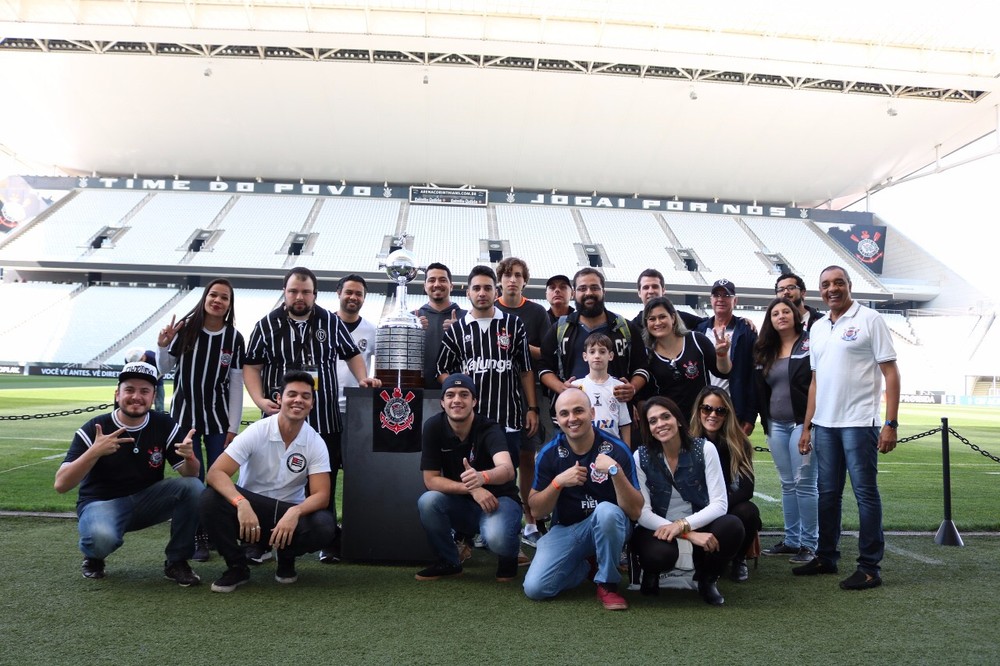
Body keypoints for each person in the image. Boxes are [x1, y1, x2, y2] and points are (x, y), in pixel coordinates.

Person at [243, 267, 380, 564]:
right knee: (270, 479)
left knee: (323, 482)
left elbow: (352, 353)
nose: (299, 297)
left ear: (315, 294)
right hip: (279, 421)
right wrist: (258, 398)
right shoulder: (267, 325)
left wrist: (362, 378)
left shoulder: (330, 322)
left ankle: (326, 540)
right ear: (285, 292)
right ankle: (262, 541)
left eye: (305, 292)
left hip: (325, 419)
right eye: (293, 291)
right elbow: (251, 365)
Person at [793, 266, 901, 591]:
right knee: (828, 495)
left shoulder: (870, 320)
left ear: (849, 286)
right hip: (824, 426)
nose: (832, 289)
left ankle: (870, 567)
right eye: (825, 284)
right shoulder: (818, 327)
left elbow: (891, 374)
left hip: (858, 424)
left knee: (865, 495)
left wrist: (890, 423)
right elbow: (815, 381)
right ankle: (826, 557)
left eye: (838, 282)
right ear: (820, 291)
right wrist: (808, 426)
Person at [54, 361, 203, 586]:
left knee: (195, 488)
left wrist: (190, 457)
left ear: (153, 396)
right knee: (100, 538)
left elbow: (190, 474)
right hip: (101, 503)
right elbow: (61, 484)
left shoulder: (163, 423)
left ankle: (177, 561)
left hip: (146, 501)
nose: (136, 397)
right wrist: (94, 452)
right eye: (129, 390)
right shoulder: (96, 427)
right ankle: (94, 556)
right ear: (117, 394)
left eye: (144, 391)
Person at [200, 370, 336, 592]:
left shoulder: (315, 442)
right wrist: (241, 503)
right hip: (250, 511)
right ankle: (237, 566)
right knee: (209, 498)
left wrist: (295, 513)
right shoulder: (258, 431)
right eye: (292, 394)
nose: (298, 400)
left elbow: (322, 495)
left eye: (305, 396)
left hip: (286, 513)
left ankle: (286, 555)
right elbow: (215, 473)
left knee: (324, 524)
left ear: (312, 403)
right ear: (279, 399)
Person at [523, 389, 642, 610]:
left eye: (579, 411)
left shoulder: (616, 449)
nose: (572, 419)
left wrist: (615, 472)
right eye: (565, 413)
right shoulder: (549, 453)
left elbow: (635, 512)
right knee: (536, 588)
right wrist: (558, 482)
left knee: (606, 512)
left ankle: (608, 584)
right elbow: (537, 511)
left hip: (610, 525)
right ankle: (586, 566)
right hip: (568, 529)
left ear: (592, 413)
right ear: (557, 420)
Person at [156, 277, 246, 562]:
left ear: (230, 305)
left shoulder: (234, 338)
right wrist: (163, 345)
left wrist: (233, 426)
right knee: (194, 477)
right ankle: (198, 535)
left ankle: (218, 530)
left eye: (224, 298)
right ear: (205, 298)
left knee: (218, 477)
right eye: (213, 295)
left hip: (218, 419)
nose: (218, 301)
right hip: (185, 419)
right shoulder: (186, 329)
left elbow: (235, 384)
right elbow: (164, 368)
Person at [631, 396, 744, 606]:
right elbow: (642, 513)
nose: (660, 424)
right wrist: (687, 533)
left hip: (698, 520)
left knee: (732, 526)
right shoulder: (641, 456)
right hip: (658, 526)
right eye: (653, 421)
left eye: (666, 417)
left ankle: (707, 579)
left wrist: (684, 524)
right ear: (648, 428)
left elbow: (720, 504)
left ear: (679, 420)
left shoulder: (705, 449)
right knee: (659, 555)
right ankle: (651, 573)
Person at [414, 374, 521, 582]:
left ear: (474, 401)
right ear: (442, 403)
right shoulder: (433, 427)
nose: (457, 400)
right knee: (428, 501)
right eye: (450, 395)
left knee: (496, 537)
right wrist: (472, 488)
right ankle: (449, 562)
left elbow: (507, 469)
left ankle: (509, 554)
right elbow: (431, 480)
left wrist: (482, 477)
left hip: (499, 501)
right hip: (464, 504)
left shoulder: (489, 428)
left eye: (464, 394)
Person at [437, 265, 539, 468]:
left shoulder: (513, 324)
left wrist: (533, 408)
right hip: (469, 422)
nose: (482, 293)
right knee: (469, 475)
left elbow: (526, 370)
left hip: (508, 420)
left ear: (496, 292)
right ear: (468, 293)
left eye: (487, 288)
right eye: (476, 288)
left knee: (506, 478)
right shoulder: (456, 330)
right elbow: (441, 370)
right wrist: (457, 384)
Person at [754, 297, 817, 562]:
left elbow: (817, 384)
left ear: (795, 315)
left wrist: (808, 427)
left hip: (801, 424)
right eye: (775, 313)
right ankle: (792, 540)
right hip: (776, 426)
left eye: (785, 312)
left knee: (804, 484)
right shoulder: (765, 350)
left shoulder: (810, 343)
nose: (781, 316)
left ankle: (810, 544)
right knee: (787, 484)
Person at [494, 257, 551, 546]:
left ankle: (530, 520)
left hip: (529, 394)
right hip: (494, 394)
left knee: (527, 457)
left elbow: (546, 352)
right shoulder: (489, 309)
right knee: (491, 457)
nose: (512, 280)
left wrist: (519, 344)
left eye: (518, 275)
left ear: (525, 280)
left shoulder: (537, 312)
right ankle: (491, 520)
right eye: (507, 275)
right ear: (500, 280)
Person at [538, 267, 648, 405]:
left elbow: (642, 366)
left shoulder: (624, 327)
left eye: (594, 288)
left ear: (604, 292)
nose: (588, 293)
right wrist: (561, 388)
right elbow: (544, 367)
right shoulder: (560, 328)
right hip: (571, 415)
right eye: (582, 288)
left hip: (616, 416)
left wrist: (633, 387)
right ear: (574, 293)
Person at [689, 386, 761, 583]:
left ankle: (738, 558)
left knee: (748, 511)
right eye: (707, 409)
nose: (713, 415)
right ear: (698, 411)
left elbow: (747, 489)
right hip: (697, 506)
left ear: (727, 414)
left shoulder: (739, 443)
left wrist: (718, 506)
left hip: (725, 504)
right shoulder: (687, 442)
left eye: (720, 410)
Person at [641, 295, 731, 419]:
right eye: (652, 319)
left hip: (701, 421)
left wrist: (722, 355)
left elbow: (723, 372)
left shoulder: (697, 340)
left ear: (672, 318)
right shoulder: (647, 355)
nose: (657, 323)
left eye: (662, 317)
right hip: (671, 425)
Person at [694, 279, 758, 435]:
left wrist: (750, 416)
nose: (720, 299)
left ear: (735, 300)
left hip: (734, 410)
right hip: (704, 409)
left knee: (733, 458)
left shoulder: (746, 331)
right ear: (710, 299)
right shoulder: (699, 330)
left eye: (726, 295)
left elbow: (754, 376)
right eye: (716, 295)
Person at [571, 333, 631, 445]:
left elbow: (625, 423)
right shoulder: (576, 387)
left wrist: (627, 452)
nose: (597, 356)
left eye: (602, 351)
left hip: (613, 447)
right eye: (592, 352)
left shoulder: (618, 387)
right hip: (584, 447)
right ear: (585, 356)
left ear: (611, 355)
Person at [414, 262, 465, 390]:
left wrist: (461, 331)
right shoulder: (412, 319)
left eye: (442, 280)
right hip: (419, 393)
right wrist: (413, 333)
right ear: (425, 286)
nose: (437, 284)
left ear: (451, 286)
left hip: (458, 394)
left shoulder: (467, 318)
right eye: (432, 280)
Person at [335, 274, 377, 418]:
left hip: (355, 404)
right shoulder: (324, 325)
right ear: (339, 293)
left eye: (359, 294)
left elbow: (383, 364)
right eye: (349, 292)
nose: (353, 297)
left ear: (364, 298)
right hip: (325, 403)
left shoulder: (372, 330)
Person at [632, 268, 702, 331]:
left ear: (663, 290)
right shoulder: (633, 328)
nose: (650, 291)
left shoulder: (683, 319)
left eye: (655, 286)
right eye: (646, 287)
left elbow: (708, 324)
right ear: (639, 293)